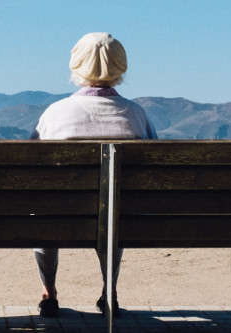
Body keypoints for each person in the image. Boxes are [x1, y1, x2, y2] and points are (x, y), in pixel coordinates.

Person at [31, 32, 157, 318]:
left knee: (43, 214)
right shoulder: (136, 115)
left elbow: (32, 171)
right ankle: (108, 291)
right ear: (121, 66)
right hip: (119, 219)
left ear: (76, 66)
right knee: (113, 210)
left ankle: (49, 293)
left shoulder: (55, 114)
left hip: (60, 217)